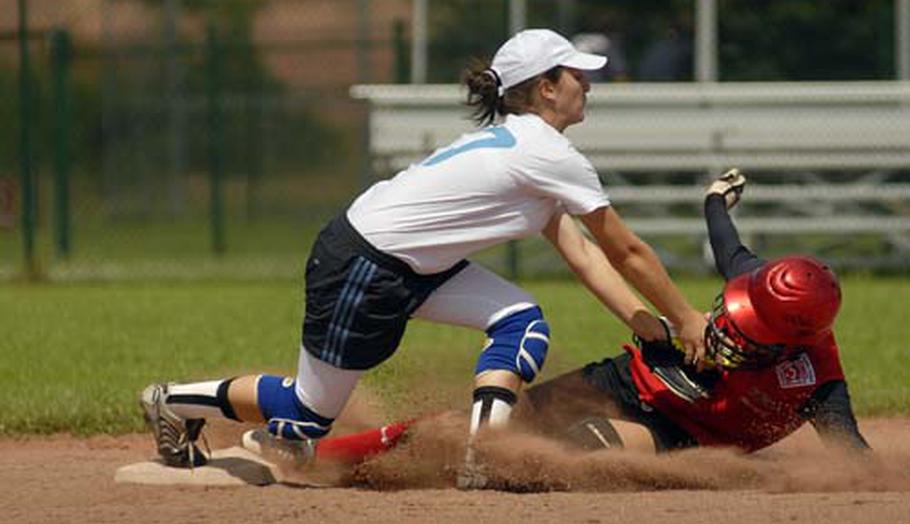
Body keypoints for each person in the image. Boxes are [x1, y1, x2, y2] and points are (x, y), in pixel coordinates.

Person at [139, 29, 707, 470]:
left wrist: (649, 323)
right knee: (305, 414)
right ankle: (174, 401)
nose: (589, 84)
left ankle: (483, 452)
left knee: (520, 321)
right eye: (577, 75)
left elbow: (583, 256)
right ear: (545, 87)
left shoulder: (530, 149)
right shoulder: (545, 152)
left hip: (412, 264)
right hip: (366, 264)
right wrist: (687, 321)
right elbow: (625, 251)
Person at [307, 169, 869, 470]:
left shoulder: (816, 384)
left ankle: (465, 477)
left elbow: (854, 461)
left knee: (572, 452)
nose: (726, 323)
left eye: (746, 329)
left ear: (789, 345)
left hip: (677, 435)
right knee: (492, 421)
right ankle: (320, 456)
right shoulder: (755, 282)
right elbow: (726, 241)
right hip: (628, 379)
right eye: (732, 310)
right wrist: (715, 199)